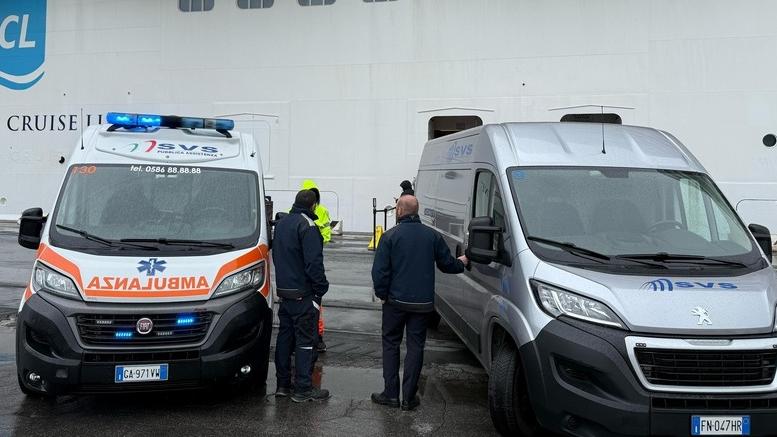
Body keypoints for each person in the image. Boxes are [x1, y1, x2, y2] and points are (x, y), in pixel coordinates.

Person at [370, 195, 468, 411]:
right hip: (422, 305)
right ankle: (409, 398)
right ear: (417, 211)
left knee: (391, 344)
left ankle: (391, 394)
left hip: (395, 302)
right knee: (415, 347)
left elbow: (379, 272)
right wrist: (461, 263)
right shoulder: (431, 236)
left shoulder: (389, 236)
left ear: (399, 211)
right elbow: (447, 264)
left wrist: (382, 294)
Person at [273, 189, 331, 402]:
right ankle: (303, 388)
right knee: (306, 340)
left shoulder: (282, 224)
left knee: (284, 338)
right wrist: (320, 287)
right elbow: (313, 263)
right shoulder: (308, 226)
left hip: (285, 292)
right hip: (303, 294)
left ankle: (282, 385)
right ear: (313, 205)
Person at [300, 179, 330, 353]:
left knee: (313, 304)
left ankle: (317, 337)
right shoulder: (296, 213)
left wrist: (314, 241)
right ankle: (311, 338)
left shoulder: (322, 211)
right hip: (305, 262)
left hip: (309, 259)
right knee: (311, 302)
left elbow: (326, 233)